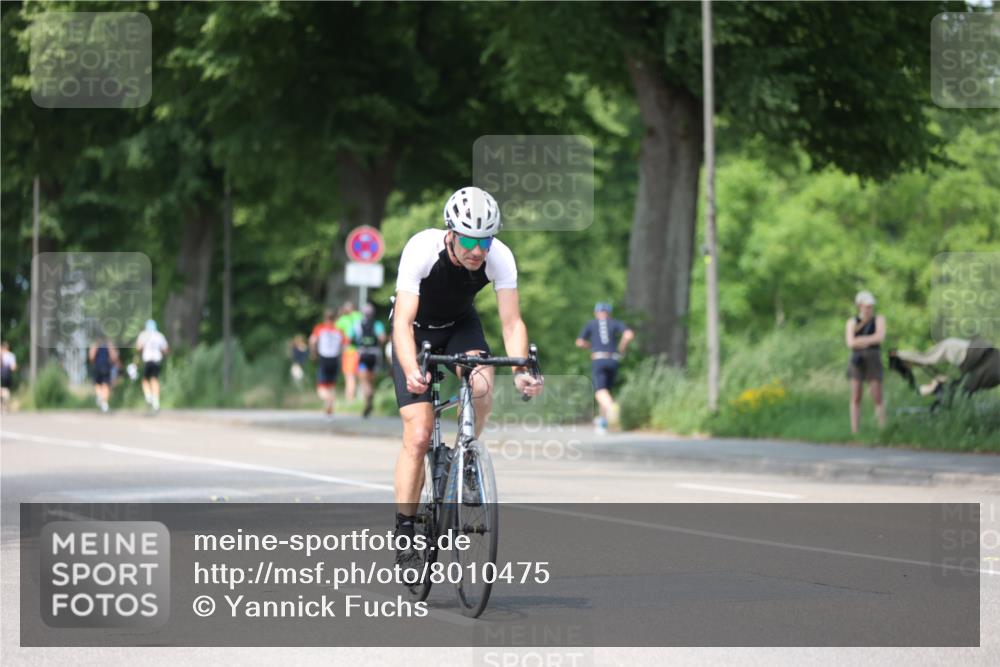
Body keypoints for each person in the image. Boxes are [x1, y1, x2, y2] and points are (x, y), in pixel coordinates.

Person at [391, 185, 544, 570]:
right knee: (419, 432)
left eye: (486, 240)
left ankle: (467, 456)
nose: (478, 250)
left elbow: (512, 323)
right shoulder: (422, 250)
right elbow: (403, 322)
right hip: (416, 332)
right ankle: (406, 531)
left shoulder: (500, 258)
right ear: (452, 233)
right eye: (470, 240)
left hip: (459, 325)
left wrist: (523, 368)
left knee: (481, 384)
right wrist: (411, 367)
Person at [576, 302, 634, 433]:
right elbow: (628, 334)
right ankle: (603, 422)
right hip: (613, 359)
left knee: (600, 391)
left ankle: (612, 407)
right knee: (606, 390)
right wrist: (621, 348)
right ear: (609, 313)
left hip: (599, 359)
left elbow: (579, 342)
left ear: (596, 313)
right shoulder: (615, 323)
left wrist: (591, 347)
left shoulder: (591, 324)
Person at [845, 290, 886, 434]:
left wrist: (861, 340)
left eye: (870, 306)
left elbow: (879, 338)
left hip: (873, 358)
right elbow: (850, 343)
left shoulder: (878, 319)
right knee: (856, 395)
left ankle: (882, 428)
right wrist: (868, 341)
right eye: (866, 306)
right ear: (859, 306)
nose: (869, 308)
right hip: (857, 360)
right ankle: (855, 430)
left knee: (877, 394)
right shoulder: (852, 322)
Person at [310, 308, 348, 418]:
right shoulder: (339, 330)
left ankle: (328, 400)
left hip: (323, 358)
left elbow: (312, 341)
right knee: (331, 385)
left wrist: (313, 354)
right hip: (335, 359)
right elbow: (345, 345)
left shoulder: (319, 328)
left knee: (321, 387)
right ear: (335, 318)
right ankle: (330, 409)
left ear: (325, 318)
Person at [353, 302, 387, 418]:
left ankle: (368, 395)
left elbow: (350, 338)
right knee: (371, 380)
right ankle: (370, 400)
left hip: (363, 354)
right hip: (375, 354)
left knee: (363, 380)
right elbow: (382, 338)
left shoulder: (357, 324)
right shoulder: (377, 324)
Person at [136, 320, 169, 412]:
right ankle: (156, 402)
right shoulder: (159, 335)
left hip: (147, 360)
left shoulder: (144, 335)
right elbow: (166, 349)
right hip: (157, 360)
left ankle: (148, 396)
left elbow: (138, 347)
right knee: (155, 380)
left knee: (145, 379)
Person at [336, 302, 363, 402]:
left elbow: (337, 333)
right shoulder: (360, 316)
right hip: (362, 350)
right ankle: (364, 398)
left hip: (349, 351)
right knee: (362, 375)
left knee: (349, 376)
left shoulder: (343, 319)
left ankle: (350, 399)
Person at [88, 336, 119, 413]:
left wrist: (92, 362)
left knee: (97, 384)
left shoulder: (96, 344)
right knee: (106, 385)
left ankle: (100, 397)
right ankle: (104, 404)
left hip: (97, 366)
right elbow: (114, 357)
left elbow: (91, 357)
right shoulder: (109, 344)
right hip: (106, 366)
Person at [1, 341, 17, 413]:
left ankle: (4, 406)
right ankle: (5, 406)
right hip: (7, 374)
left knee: (3, 390)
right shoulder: (11, 355)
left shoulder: (2, 355)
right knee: (6, 390)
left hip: (2, 374)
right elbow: (13, 367)